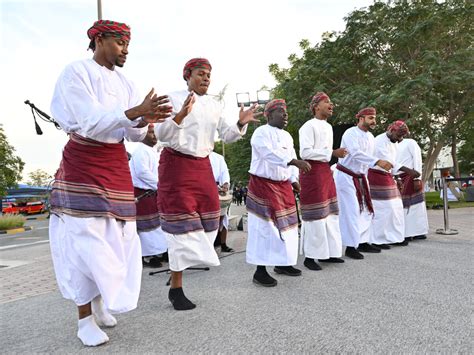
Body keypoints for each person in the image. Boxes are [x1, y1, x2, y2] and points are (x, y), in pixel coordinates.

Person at [48, 20, 172, 346]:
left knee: (118, 240)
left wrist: (148, 120)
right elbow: (89, 120)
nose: (126, 49)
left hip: (115, 166)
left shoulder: (127, 82)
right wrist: (135, 111)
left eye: (128, 44)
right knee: (86, 244)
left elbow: (130, 132)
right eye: (120, 42)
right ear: (99, 39)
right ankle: (84, 319)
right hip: (83, 165)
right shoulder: (75, 72)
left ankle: (101, 303)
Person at [155, 57, 260, 310]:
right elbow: (161, 134)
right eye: (201, 73)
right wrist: (180, 115)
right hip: (177, 165)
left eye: (209, 75)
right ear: (187, 75)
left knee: (212, 217)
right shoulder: (171, 97)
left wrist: (241, 122)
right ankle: (176, 286)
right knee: (181, 224)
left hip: (202, 166)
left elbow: (227, 135)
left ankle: (181, 264)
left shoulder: (214, 104)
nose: (206, 78)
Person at [246, 99, 311, 287]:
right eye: (282, 112)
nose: (286, 116)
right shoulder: (260, 133)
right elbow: (268, 154)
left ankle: (283, 264)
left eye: (286, 113)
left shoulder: (288, 136)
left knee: (289, 227)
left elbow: (292, 158)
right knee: (265, 229)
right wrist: (292, 162)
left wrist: (294, 179)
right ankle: (260, 271)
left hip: (283, 187)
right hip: (263, 185)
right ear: (269, 115)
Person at [334, 107, 392, 259]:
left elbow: (368, 159)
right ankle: (351, 246)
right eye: (371, 118)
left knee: (366, 209)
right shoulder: (350, 133)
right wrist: (378, 161)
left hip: (361, 177)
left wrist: (377, 165)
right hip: (346, 177)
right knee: (352, 211)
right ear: (361, 118)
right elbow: (356, 153)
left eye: (374, 118)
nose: (374, 121)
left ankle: (363, 241)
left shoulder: (371, 137)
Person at [298, 92, 347, 271]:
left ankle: (330, 253)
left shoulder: (328, 127)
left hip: (325, 172)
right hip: (312, 173)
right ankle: (311, 257)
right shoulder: (308, 126)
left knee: (331, 214)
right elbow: (305, 153)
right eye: (327, 102)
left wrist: (331, 155)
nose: (331, 105)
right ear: (316, 106)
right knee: (316, 216)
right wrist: (333, 153)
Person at [368, 120, 416, 247]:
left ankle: (394, 237)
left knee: (396, 207)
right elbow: (388, 163)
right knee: (382, 209)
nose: (400, 139)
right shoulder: (379, 141)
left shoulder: (393, 142)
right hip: (376, 176)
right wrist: (408, 170)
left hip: (387, 176)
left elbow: (393, 163)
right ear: (391, 130)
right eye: (399, 135)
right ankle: (378, 239)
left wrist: (397, 178)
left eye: (403, 136)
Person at [129, 124, 168, 267]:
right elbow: (142, 172)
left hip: (154, 193)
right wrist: (160, 184)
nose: (154, 136)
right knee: (147, 226)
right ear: (143, 134)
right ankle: (148, 256)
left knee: (158, 225)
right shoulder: (140, 151)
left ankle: (160, 251)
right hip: (143, 194)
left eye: (155, 133)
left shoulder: (153, 151)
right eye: (151, 133)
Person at [396, 137, 429, 240]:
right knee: (401, 205)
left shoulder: (410, 142)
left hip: (411, 176)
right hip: (398, 177)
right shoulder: (391, 145)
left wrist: (417, 178)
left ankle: (418, 232)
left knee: (415, 205)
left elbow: (417, 159)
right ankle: (407, 232)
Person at [209, 150, 234, 252]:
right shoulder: (197, 154)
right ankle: (209, 246)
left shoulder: (218, 157)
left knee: (223, 217)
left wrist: (226, 183)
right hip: (204, 189)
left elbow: (224, 172)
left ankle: (223, 244)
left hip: (218, 190)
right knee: (208, 219)